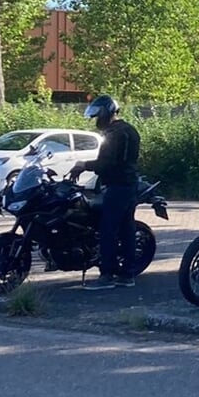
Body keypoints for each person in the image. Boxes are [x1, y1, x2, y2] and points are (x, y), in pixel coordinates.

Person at [79, 95, 143, 289]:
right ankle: (127, 274)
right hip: (128, 184)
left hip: (118, 185)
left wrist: (83, 165)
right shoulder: (128, 130)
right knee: (126, 229)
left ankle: (107, 274)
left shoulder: (115, 134)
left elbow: (107, 162)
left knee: (107, 229)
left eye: (98, 116)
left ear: (107, 113)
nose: (96, 120)